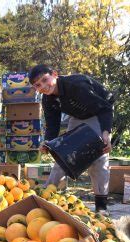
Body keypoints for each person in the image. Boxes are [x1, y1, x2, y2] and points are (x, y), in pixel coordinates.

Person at [29, 64, 115, 213]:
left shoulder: (76, 85)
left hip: (99, 112)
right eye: (38, 85)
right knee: (63, 154)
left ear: (54, 74)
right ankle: (44, 198)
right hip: (78, 115)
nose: (43, 86)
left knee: (99, 159)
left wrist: (106, 133)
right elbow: (52, 124)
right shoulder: (48, 99)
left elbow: (105, 108)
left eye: (45, 80)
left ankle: (101, 207)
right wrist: (48, 142)